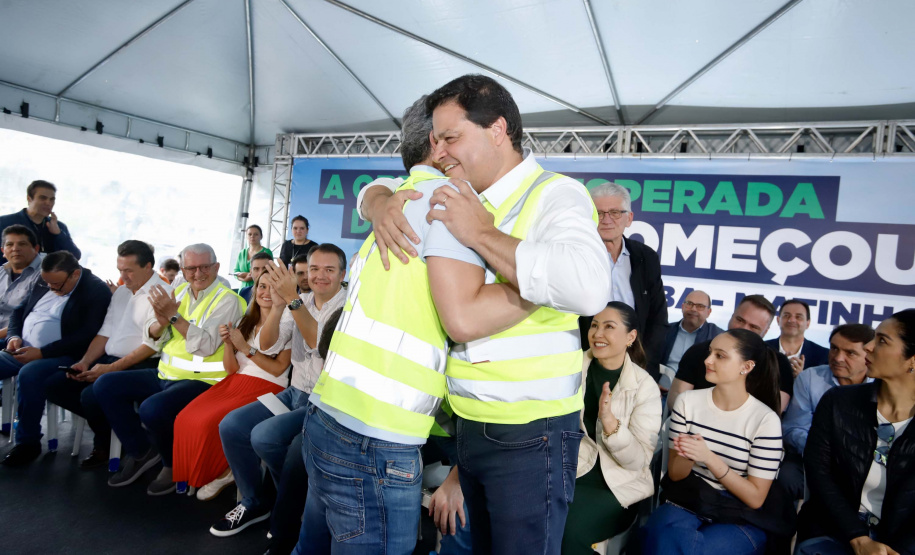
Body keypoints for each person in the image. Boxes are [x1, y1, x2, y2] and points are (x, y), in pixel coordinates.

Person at [358, 77, 610, 555]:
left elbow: (589, 285)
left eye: (451, 138)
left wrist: (483, 235)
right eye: (435, 141)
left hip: (531, 434)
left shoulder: (556, 194)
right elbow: (386, 185)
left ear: (497, 130)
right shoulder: (460, 189)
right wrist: (379, 202)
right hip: (468, 429)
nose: (441, 152)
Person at [210, 243, 346, 550]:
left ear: (343, 274)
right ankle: (256, 500)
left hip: (324, 400)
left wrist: (293, 301)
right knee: (231, 426)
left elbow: (317, 344)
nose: (319, 276)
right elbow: (269, 345)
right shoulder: (302, 300)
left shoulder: (348, 308)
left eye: (328, 270)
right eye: (313, 269)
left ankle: (289, 498)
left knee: (265, 437)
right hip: (294, 392)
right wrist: (280, 305)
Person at [94, 243, 245, 495]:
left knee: (152, 409)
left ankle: (172, 463)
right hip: (166, 373)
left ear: (216, 268)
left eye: (204, 267)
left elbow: (207, 346)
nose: (197, 274)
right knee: (105, 385)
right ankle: (142, 451)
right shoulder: (180, 290)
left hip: (204, 381)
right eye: (190, 268)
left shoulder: (228, 300)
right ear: (182, 270)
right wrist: (162, 322)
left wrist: (173, 318)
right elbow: (153, 335)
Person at [642, 329, 792, 554]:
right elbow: (676, 474)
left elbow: (755, 498)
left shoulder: (765, 419)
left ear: (747, 367)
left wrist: (708, 458)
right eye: (710, 352)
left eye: (720, 356)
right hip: (690, 500)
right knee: (663, 537)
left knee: (688, 548)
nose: (708, 360)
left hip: (742, 515)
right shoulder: (687, 403)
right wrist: (687, 454)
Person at [796, 309, 915, 555]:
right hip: (835, 531)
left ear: (912, 360)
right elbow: (819, 473)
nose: (869, 347)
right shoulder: (838, 401)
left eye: (882, 341)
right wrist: (859, 538)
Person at [44, 240, 170, 469]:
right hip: (111, 358)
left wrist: (109, 369)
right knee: (54, 385)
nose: (123, 276)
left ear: (148, 266)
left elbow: (151, 346)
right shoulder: (121, 292)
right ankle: (117, 432)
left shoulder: (162, 294)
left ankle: (124, 445)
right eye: (120, 270)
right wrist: (84, 362)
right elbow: (105, 333)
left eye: (129, 270)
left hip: (144, 363)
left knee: (91, 395)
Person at [172, 273, 291, 496]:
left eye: (272, 287)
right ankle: (197, 473)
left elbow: (278, 369)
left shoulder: (288, 322)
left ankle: (223, 471)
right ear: (254, 290)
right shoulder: (245, 322)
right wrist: (228, 344)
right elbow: (231, 369)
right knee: (186, 417)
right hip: (236, 382)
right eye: (261, 286)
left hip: (270, 387)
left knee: (210, 422)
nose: (266, 292)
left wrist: (245, 349)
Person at [562, 302, 661, 555]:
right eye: (594, 325)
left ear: (631, 337)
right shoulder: (569, 367)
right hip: (566, 471)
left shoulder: (644, 386)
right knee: (529, 522)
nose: (597, 334)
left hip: (616, 484)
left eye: (609, 327)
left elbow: (638, 461)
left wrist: (612, 426)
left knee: (568, 532)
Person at [0, 251, 111, 466]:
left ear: (75, 274)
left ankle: (27, 443)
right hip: (23, 348)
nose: (51, 288)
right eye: (47, 283)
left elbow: (87, 335)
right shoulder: (46, 279)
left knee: (31, 374)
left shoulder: (95, 291)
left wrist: (42, 353)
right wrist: (14, 336)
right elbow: (18, 312)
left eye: (57, 285)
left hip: (64, 355)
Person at [579, 182, 667, 380]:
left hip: (635, 364)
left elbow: (658, 319)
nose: (606, 220)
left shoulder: (646, 257)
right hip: (586, 365)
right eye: (599, 213)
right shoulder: (575, 255)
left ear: (629, 218)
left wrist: (643, 363)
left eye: (615, 213)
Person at [778, 323, 875, 500]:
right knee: (786, 477)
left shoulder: (880, 386)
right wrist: (827, 452)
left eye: (850, 353)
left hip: (862, 465)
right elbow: (793, 429)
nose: (838, 358)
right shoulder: (810, 378)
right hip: (811, 459)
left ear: (869, 356)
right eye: (834, 348)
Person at [668, 294, 795, 413]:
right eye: (739, 320)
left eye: (753, 327)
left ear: (765, 331)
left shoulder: (779, 363)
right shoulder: (698, 351)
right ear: (731, 317)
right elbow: (676, 403)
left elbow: (773, 412)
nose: (743, 329)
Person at [0, 180, 81, 261]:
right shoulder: (5, 223)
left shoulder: (58, 226)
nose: (48, 203)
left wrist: (58, 234)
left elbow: (75, 256)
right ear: (29, 199)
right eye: (43, 198)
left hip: (51, 272)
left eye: (52, 199)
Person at [0, 225, 44, 348]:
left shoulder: (45, 275)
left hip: (15, 339)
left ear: (35, 249)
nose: (15, 249)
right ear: (3, 251)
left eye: (22, 244)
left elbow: (28, 318)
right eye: (9, 245)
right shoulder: (1, 272)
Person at [660, 289, 723, 374]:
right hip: (660, 385)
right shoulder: (664, 330)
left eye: (700, 306)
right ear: (682, 307)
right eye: (689, 304)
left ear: (708, 312)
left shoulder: (718, 337)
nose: (693, 309)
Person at [766, 299, 829, 378]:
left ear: (808, 323)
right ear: (778, 320)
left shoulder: (824, 355)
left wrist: (802, 378)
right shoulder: (762, 349)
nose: (791, 320)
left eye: (798, 317)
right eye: (786, 315)